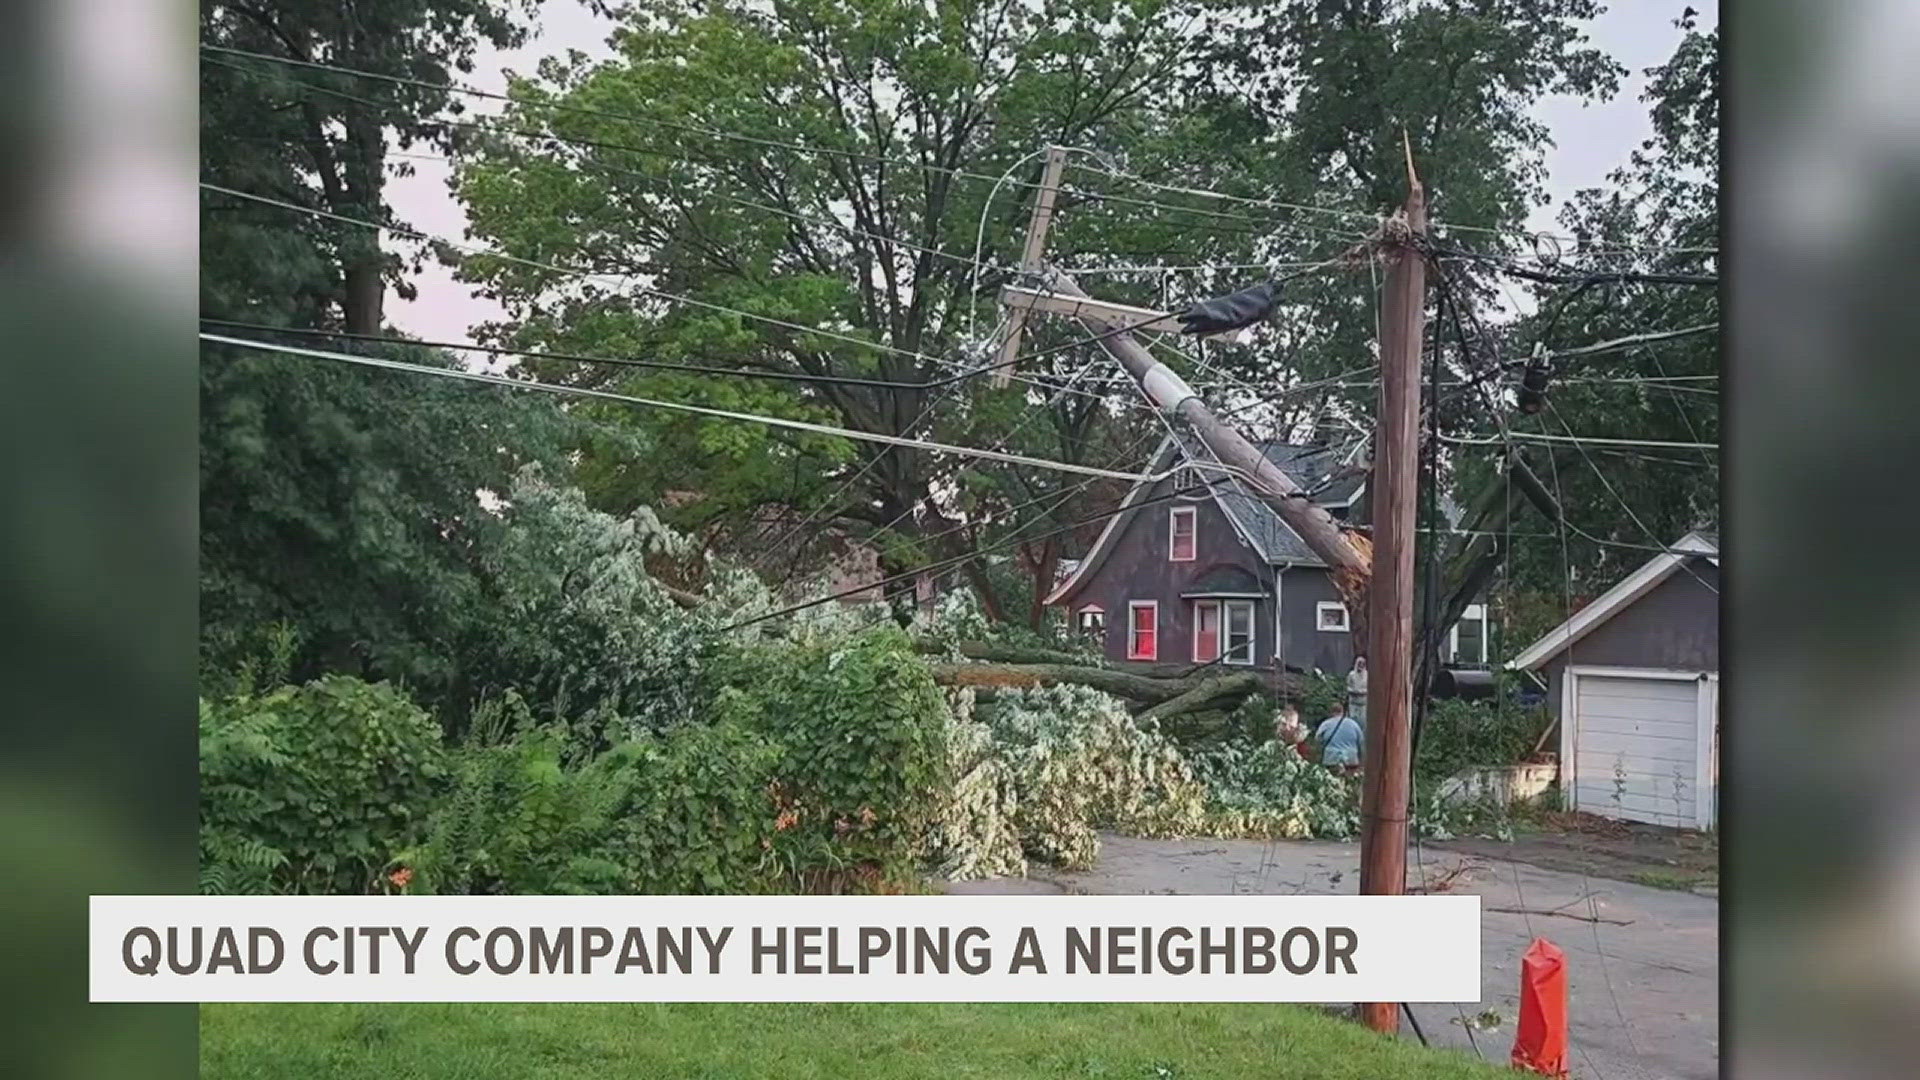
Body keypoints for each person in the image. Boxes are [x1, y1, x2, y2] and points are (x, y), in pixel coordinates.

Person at [1314, 698, 1364, 776]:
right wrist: (1361, 760)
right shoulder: (1353, 724)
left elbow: (1317, 739)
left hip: (1331, 758)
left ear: (1331, 712)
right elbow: (1361, 742)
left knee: (1332, 783)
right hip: (1351, 759)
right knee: (1350, 783)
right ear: (1343, 711)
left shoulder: (1326, 724)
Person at [1346, 656, 1368, 725]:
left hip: (1363, 703)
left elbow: (1369, 689)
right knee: (1353, 721)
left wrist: (1361, 692)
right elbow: (1347, 686)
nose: (1360, 665)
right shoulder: (1351, 675)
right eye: (1359, 663)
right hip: (1353, 703)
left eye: (1363, 664)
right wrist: (1353, 691)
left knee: (1363, 722)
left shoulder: (1367, 675)